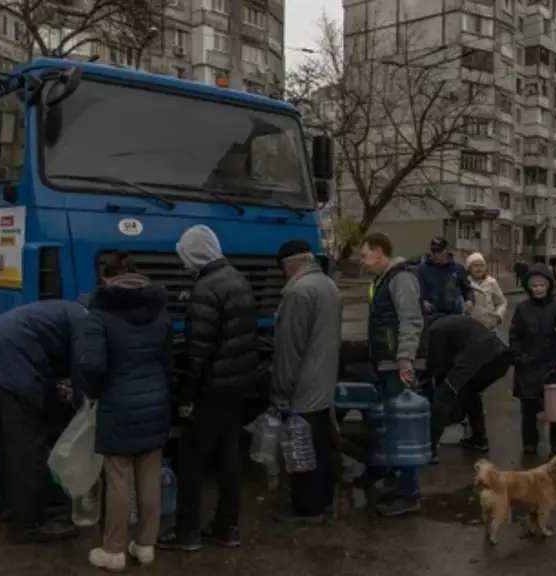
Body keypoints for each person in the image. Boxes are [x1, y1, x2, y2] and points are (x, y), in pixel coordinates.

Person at [159, 225, 259, 551]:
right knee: (229, 457)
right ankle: (227, 527)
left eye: (184, 256)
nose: (183, 263)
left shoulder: (205, 289)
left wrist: (187, 397)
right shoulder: (239, 280)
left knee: (191, 460)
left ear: (195, 253)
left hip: (211, 390)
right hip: (238, 386)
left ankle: (187, 532)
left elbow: (198, 352)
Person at [74, 254, 173, 571]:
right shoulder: (159, 310)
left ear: (106, 278)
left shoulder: (100, 313)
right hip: (156, 400)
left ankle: (113, 550)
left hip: (118, 402)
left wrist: (92, 390)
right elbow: (168, 359)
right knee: (149, 475)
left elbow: (90, 363)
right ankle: (145, 545)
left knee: (118, 478)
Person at [0, 299, 87, 543]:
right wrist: (84, 401)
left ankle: (12, 507)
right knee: (27, 445)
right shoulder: (84, 320)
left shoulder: (69, 310)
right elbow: (82, 365)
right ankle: (31, 523)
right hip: (13, 362)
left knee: (8, 442)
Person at [270, 240, 342, 523]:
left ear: (289, 264)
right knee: (321, 445)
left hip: (303, 386)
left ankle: (307, 509)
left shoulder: (298, 293)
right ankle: (322, 501)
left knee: (302, 449)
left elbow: (290, 349)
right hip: (324, 382)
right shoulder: (328, 285)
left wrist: (281, 391)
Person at [358, 232, 425, 517]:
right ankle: (399, 483)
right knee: (392, 426)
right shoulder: (384, 279)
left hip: (396, 366)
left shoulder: (400, 278)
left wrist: (404, 359)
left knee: (404, 429)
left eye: (364, 255)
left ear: (380, 252)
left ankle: (409, 493)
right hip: (387, 364)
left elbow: (410, 320)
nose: (362, 261)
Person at [427, 314, 512, 456]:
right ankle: (479, 440)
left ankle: (430, 448)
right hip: (500, 357)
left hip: (480, 358)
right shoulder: (455, 322)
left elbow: (439, 367)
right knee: (470, 393)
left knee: (443, 394)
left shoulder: (435, 330)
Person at [509, 263, 556, 456]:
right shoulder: (522, 308)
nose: (538, 289)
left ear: (548, 286)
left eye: (542, 285)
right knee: (528, 408)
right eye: (534, 286)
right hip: (528, 366)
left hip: (552, 366)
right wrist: (519, 356)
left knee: (555, 408)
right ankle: (530, 444)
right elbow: (515, 335)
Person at [416, 236, 474, 320]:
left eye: (440, 251)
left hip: (454, 315)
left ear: (446, 250)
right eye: (434, 252)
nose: (437, 255)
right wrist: (422, 302)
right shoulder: (422, 270)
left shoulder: (458, 269)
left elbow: (468, 289)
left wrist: (469, 301)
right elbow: (417, 291)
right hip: (431, 316)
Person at [465, 252, 507, 331]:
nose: (479, 268)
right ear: (469, 268)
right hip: (470, 327)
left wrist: (498, 317)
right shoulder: (465, 283)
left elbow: (502, 302)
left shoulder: (492, 282)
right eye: (476, 265)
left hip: (489, 327)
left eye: (482, 265)